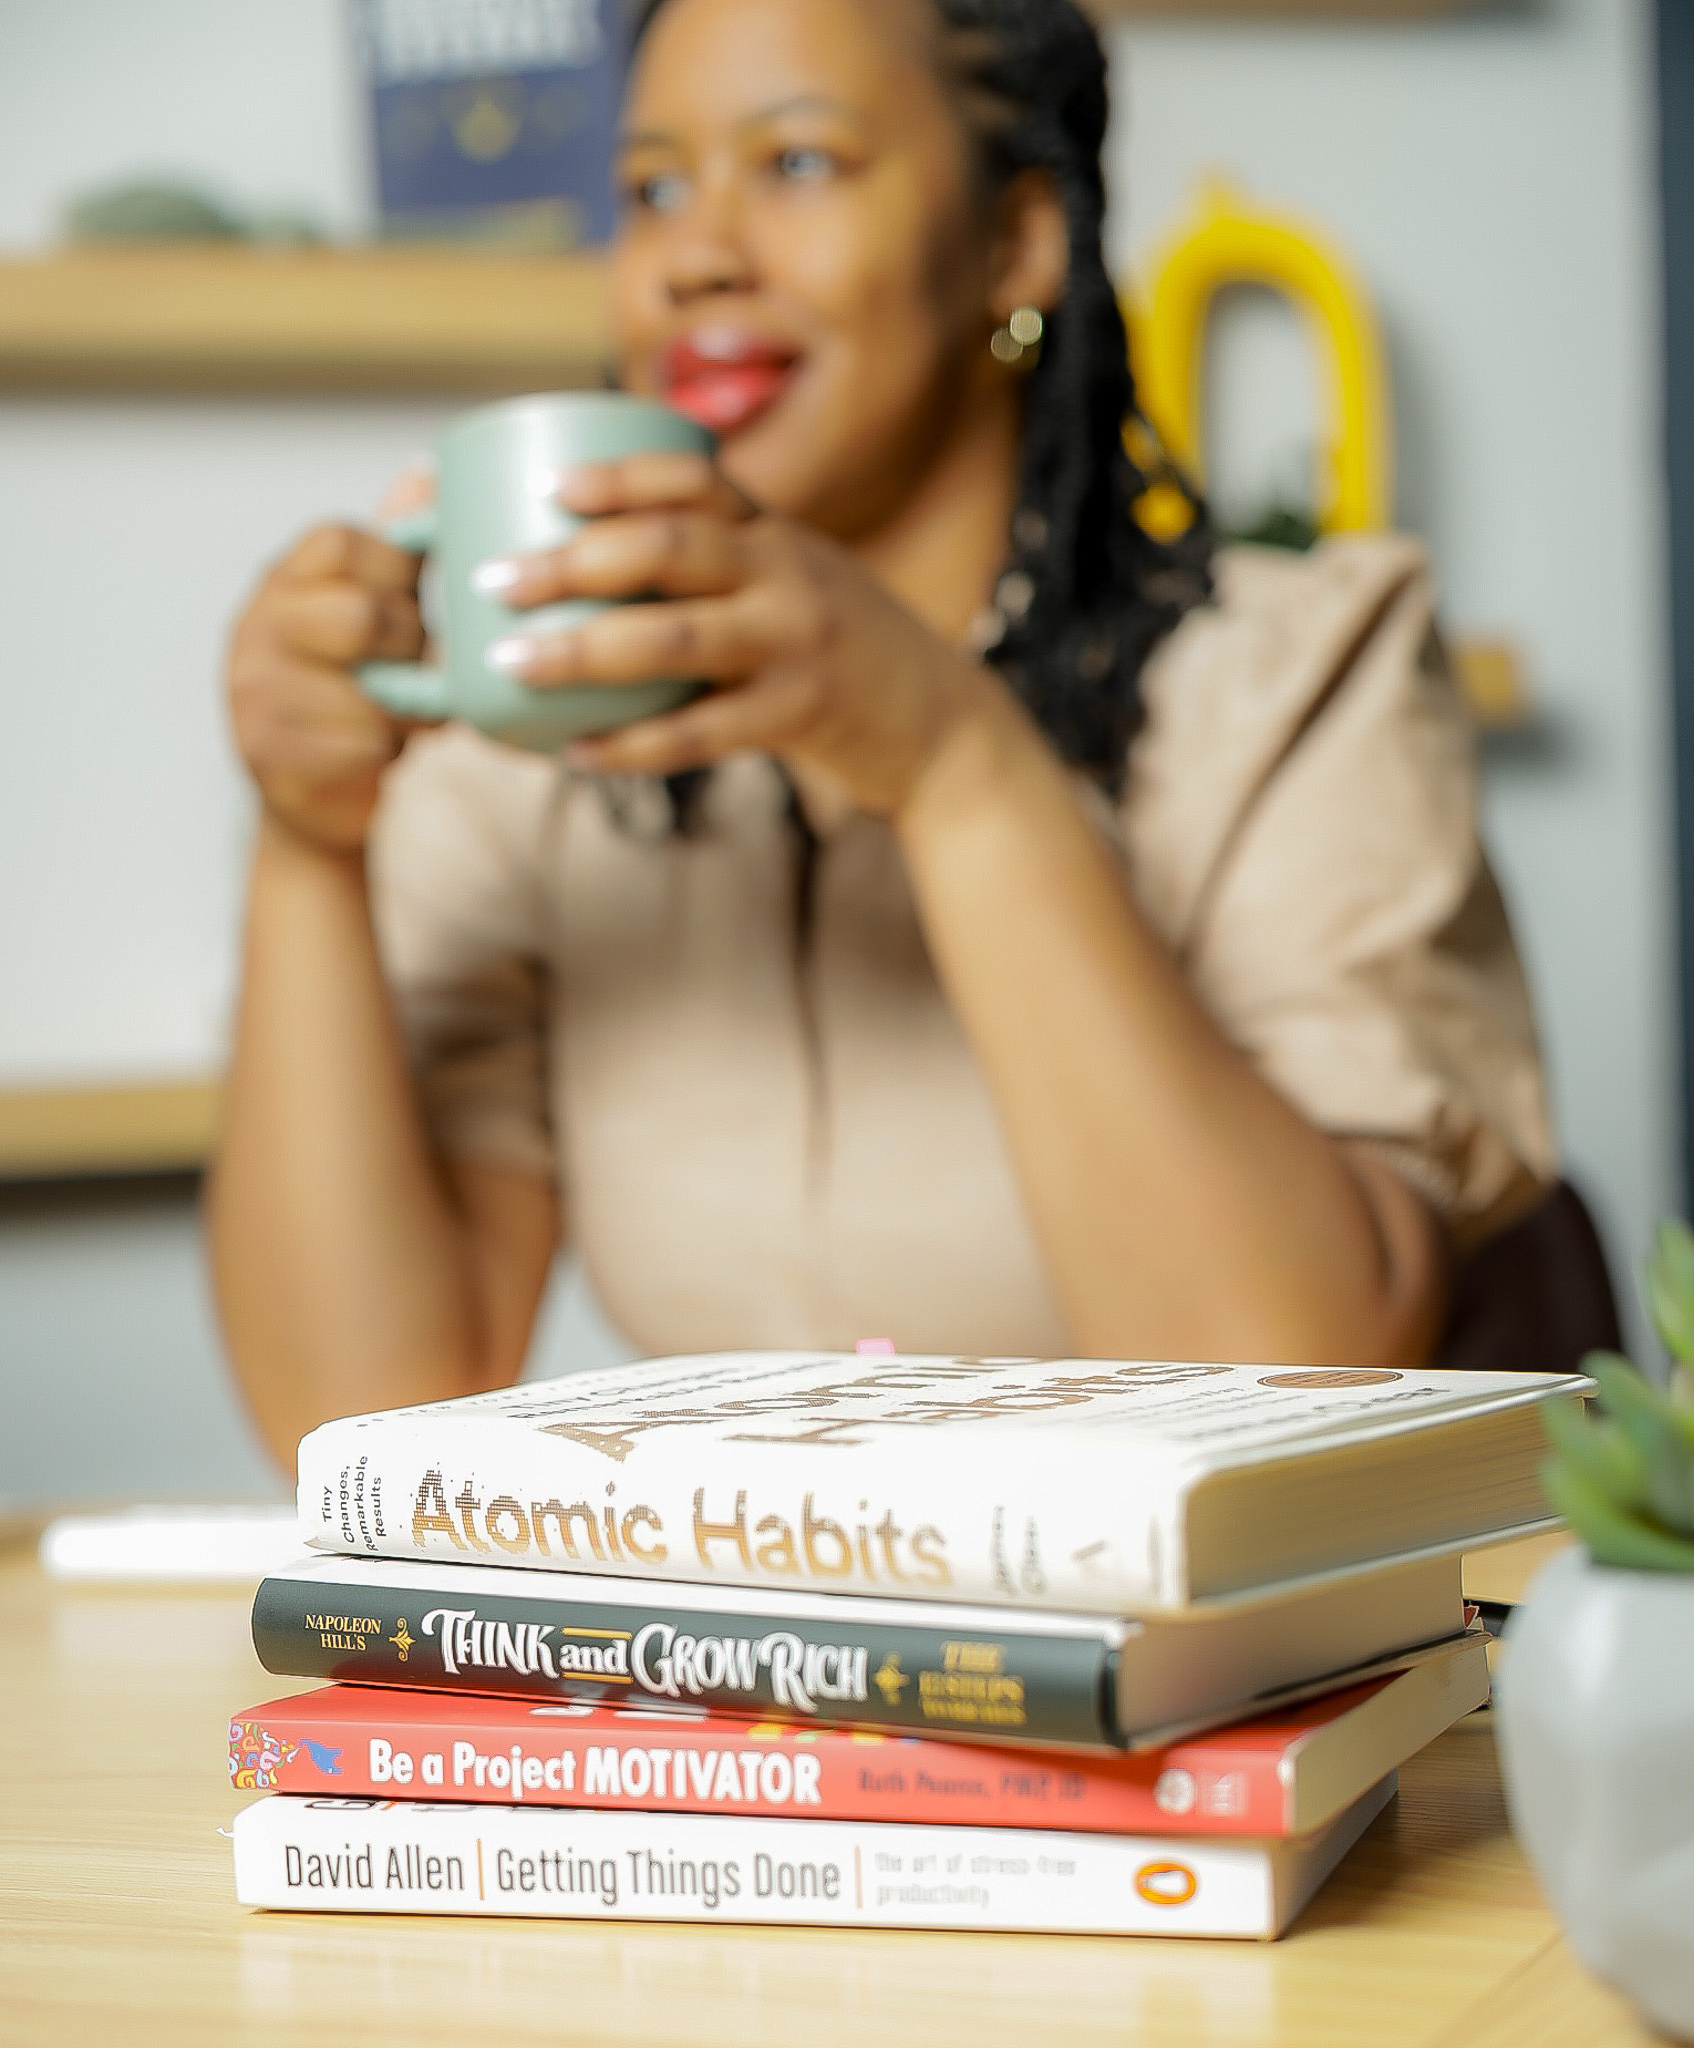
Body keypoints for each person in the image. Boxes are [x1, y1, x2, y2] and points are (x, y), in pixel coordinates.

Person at [212, 0, 1558, 1463]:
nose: (696, 252)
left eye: (795, 163)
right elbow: (357, 1419)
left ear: (1015, 244)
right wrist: (306, 845)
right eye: (652, 188)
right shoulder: (542, 768)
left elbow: (1292, 1385)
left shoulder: (1297, 672)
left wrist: (950, 761)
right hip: (829, 1656)